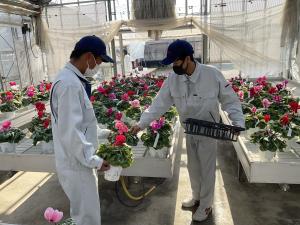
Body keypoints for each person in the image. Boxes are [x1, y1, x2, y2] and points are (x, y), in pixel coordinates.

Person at [131, 39, 245, 222]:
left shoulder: (212, 75)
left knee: (207, 169)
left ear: (188, 58)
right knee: (193, 167)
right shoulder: (173, 80)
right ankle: (197, 196)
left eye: (176, 61)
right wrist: (141, 123)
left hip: (209, 131)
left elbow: (229, 100)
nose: (174, 66)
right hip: (190, 130)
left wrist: (237, 121)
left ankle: (207, 204)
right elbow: (158, 104)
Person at [50, 35, 113, 225]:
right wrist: (94, 160)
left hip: (77, 161)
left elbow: (79, 125)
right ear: (89, 57)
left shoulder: (72, 80)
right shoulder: (69, 85)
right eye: (99, 60)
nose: (99, 65)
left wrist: (105, 133)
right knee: (87, 218)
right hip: (76, 165)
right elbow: (71, 132)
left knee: (85, 214)